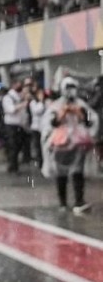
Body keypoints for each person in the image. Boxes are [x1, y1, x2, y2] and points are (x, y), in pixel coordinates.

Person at [41, 76, 99, 213]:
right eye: (68, 88)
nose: (71, 91)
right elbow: (51, 123)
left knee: (77, 171)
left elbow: (90, 121)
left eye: (73, 88)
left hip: (78, 142)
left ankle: (79, 200)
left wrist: (79, 113)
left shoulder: (82, 105)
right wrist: (63, 113)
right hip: (61, 143)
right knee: (61, 173)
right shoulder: (56, 105)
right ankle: (62, 202)